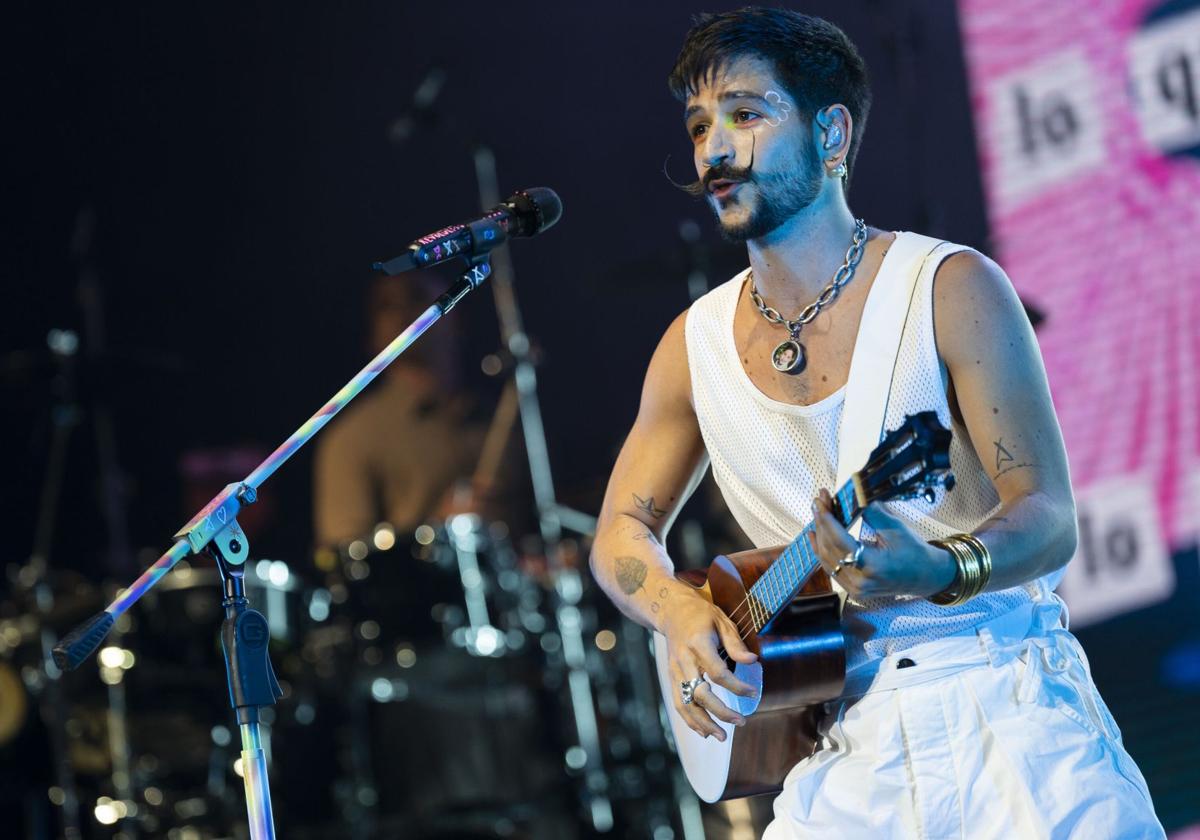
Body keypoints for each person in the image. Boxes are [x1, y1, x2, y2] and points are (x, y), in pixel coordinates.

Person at [588, 9, 1165, 838]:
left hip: (1011, 714)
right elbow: (619, 534)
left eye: (747, 115)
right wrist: (680, 615)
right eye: (699, 124)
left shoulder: (953, 288)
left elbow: (1049, 517)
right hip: (842, 749)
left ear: (831, 132)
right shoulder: (692, 348)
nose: (714, 150)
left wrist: (936, 568)